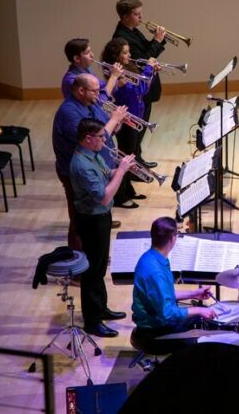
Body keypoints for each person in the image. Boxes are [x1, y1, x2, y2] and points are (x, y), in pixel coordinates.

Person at [69, 118, 134, 337]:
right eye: (100, 137)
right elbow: (104, 197)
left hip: (101, 218)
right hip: (91, 221)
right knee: (92, 271)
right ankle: (92, 321)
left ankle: (101, 308)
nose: (104, 140)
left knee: (99, 267)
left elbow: (106, 175)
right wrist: (122, 171)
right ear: (88, 138)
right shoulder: (81, 165)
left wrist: (119, 168)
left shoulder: (93, 155)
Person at [52, 74, 127, 249]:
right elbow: (92, 137)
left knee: (95, 213)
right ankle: (79, 263)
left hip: (95, 163)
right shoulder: (69, 113)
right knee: (79, 219)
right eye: (95, 91)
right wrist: (114, 119)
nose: (99, 94)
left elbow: (103, 131)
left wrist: (117, 123)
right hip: (76, 170)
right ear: (80, 90)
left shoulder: (91, 104)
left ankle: (96, 249)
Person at [131, 217, 217, 352]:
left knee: (200, 316)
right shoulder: (155, 272)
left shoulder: (152, 257)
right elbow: (168, 314)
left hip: (158, 320)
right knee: (203, 328)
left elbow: (165, 295)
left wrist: (195, 293)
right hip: (155, 329)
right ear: (173, 239)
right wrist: (199, 310)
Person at [101, 37, 157, 208]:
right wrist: (148, 69)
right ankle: (120, 196)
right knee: (124, 158)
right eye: (125, 52)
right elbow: (136, 91)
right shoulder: (117, 74)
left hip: (133, 118)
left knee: (129, 156)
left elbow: (144, 89)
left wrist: (152, 71)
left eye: (128, 51)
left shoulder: (128, 68)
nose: (129, 55)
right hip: (125, 121)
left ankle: (128, 191)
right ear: (116, 56)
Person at [113, 0, 166, 169]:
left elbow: (146, 54)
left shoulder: (133, 31)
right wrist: (157, 41)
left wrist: (157, 42)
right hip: (137, 89)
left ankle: (138, 158)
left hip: (145, 85)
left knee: (141, 126)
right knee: (138, 127)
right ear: (125, 16)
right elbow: (143, 60)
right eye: (137, 14)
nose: (141, 18)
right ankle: (134, 163)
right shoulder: (122, 37)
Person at [61, 38, 122, 102]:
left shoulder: (87, 70)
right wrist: (113, 77)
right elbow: (99, 101)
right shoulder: (72, 80)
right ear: (77, 58)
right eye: (87, 53)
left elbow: (101, 85)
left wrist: (116, 80)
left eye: (90, 51)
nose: (92, 55)